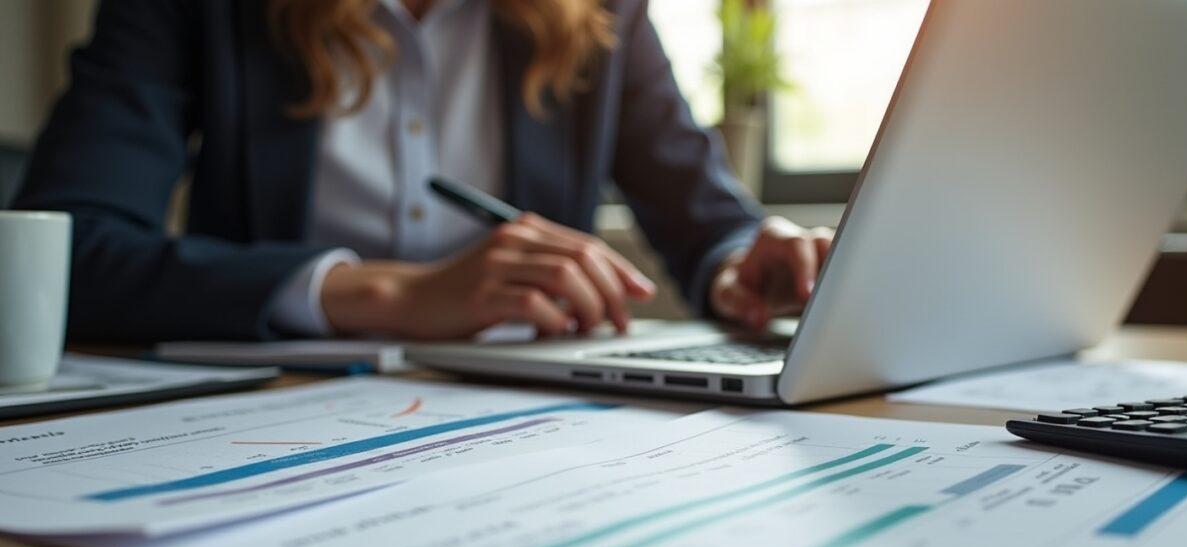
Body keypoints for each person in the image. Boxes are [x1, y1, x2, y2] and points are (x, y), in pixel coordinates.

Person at [17, 0, 833, 342]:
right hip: (268, 422)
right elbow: (68, 253)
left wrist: (743, 262)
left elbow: (706, 219)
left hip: (533, 433)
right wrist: (385, 293)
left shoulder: (598, 13)